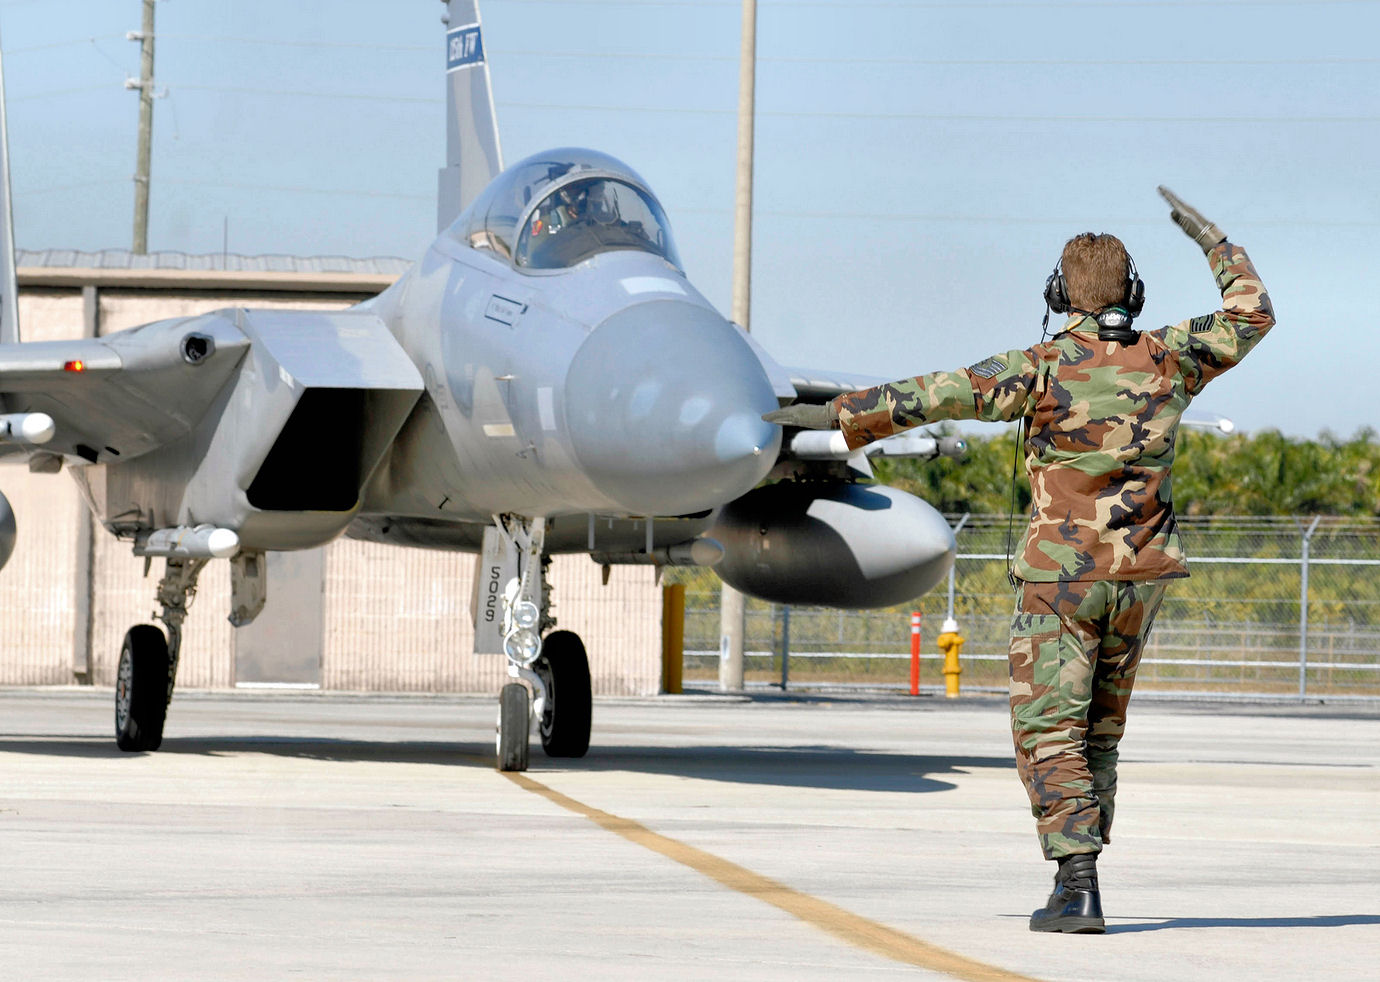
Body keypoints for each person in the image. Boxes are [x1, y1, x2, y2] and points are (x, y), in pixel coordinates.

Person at [763, 187, 1274, 933]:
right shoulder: (1174, 356)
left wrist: (843, 416)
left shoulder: (1039, 367)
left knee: (1047, 727)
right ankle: (1086, 867)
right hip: (1141, 576)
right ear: (1132, 293)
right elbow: (1252, 312)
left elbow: (939, 392)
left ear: (1058, 294)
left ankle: (1077, 882)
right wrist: (1211, 237)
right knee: (1099, 729)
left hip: (1063, 581)